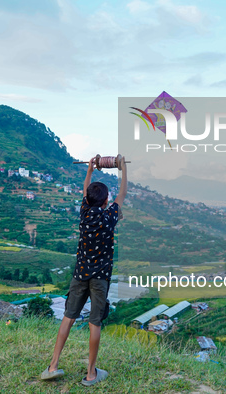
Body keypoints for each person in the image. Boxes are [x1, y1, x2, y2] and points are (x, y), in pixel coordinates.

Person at [41, 156, 127, 386]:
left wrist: (90, 169)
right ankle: (91, 374)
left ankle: (53, 366)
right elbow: (123, 195)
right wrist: (123, 169)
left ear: (88, 199)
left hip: (80, 274)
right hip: (99, 279)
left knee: (68, 317)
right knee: (94, 322)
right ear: (106, 201)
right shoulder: (109, 217)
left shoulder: (85, 212)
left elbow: (85, 193)